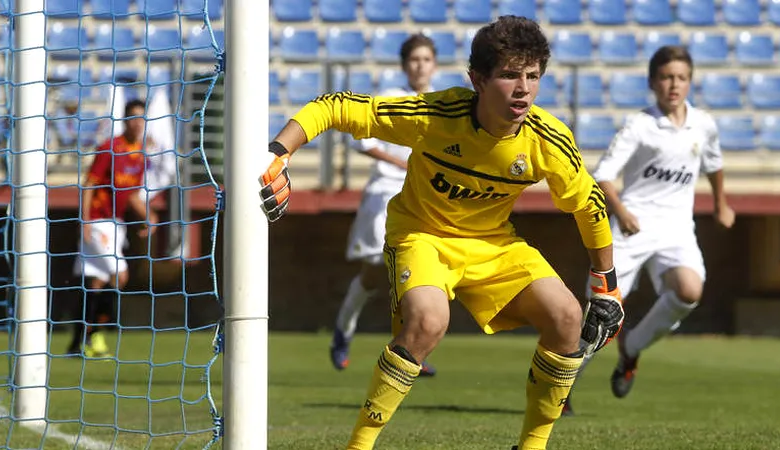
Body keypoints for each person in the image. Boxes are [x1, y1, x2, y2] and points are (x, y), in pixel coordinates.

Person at [259, 16, 625, 450]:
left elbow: (590, 204)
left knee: (567, 319)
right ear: (477, 79)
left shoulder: (549, 141)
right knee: (429, 322)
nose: (523, 88)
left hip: (494, 243)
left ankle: (532, 445)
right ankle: (358, 445)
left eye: (532, 76)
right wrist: (277, 154)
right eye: (509, 75)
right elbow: (334, 106)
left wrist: (607, 285)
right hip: (422, 235)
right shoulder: (434, 115)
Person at [565, 46, 734, 411]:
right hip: (632, 227)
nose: (674, 85)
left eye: (682, 78)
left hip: (676, 230)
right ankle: (560, 390)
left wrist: (721, 203)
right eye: (667, 77)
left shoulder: (702, 124)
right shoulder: (639, 125)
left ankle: (633, 348)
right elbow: (604, 176)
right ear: (653, 82)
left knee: (689, 291)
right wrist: (622, 212)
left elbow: (714, 163)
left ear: (690, 82)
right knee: (602, 312)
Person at [330, 33, 437, 377]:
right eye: (414, 59)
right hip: (387, 192)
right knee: (375, 272)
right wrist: (401, 163)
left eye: (426, 59)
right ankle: (343, 330)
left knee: (414, 273)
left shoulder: (440, 103)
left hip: (423, 197)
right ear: (405, 65)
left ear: (434, 64)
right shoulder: (392, 98)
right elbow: (361, 140)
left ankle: (409, 350)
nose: (420, 65)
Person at [69, 99, 159, 357]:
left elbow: (131, 195)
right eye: (133, 117)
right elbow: (88, 184)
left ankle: (77, 343)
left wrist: (149, 216)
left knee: (95, 283)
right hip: (98, 223)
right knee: (120, 276)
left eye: (142, 118)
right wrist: (84, 219)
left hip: (116, 224)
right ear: (125, 120)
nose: (138, 123)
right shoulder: (109, 149)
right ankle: (95, 336)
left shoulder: (139, 155)